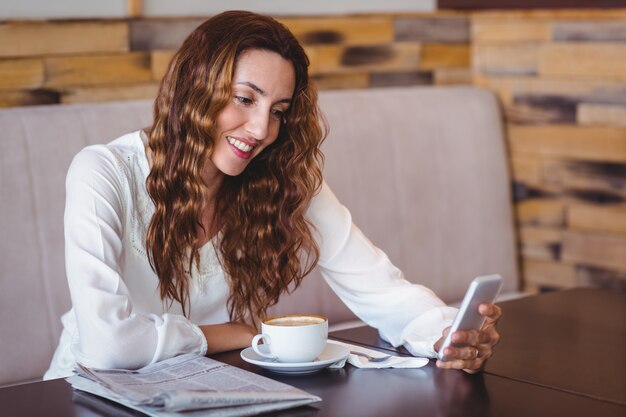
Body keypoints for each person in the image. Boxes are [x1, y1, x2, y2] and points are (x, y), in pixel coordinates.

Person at [44, 10, 501, 379]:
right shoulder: (103, 172)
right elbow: (108, 345)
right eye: (245, 98)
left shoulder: (280, 178)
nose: (262, 129)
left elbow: (381, 289)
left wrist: (447, 334)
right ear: (194, 88)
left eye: (278, 111)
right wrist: (221, 334)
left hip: (204, 391)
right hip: (83, 393)